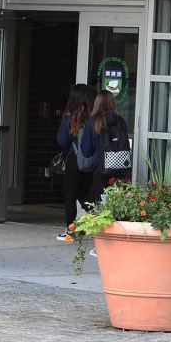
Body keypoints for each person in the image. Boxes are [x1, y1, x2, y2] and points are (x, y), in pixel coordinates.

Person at [55, 83, 95, 241]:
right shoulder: (94, 117)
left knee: (71, 196)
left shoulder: (69, 116)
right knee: (86, 195)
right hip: (91, 161)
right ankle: (94, 225)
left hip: (74, 160)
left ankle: (70, 230)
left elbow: (61, 140)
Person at [80, 90, 130, 203]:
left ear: (97, 103)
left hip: (100, 168)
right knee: (118, 204)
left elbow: (86, 150)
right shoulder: (120, 121)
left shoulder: (92, 122)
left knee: (100, 205)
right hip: (120, 168)